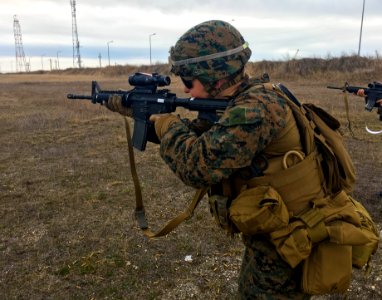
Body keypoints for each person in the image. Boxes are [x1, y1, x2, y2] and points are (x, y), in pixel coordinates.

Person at [105, 20, 377, 299]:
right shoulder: (251, 98)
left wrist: (166, 123)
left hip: (291, 238)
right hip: (277, 230)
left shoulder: (255, 109)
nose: (185, 90)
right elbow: (206, 138)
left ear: (216, 78)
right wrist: (140, 112)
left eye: (189, 81)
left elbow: (198, 165)